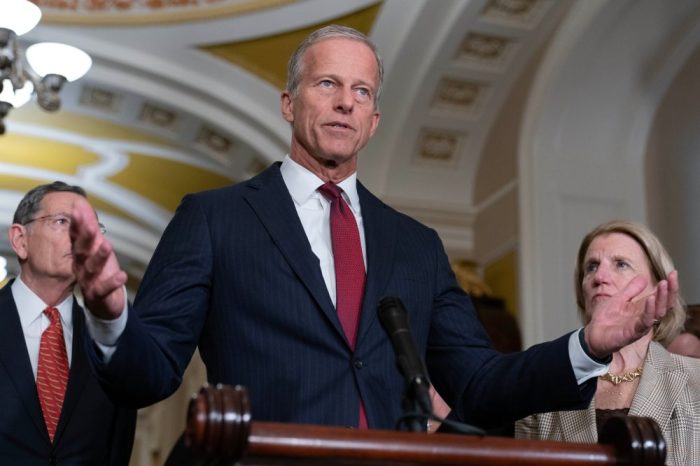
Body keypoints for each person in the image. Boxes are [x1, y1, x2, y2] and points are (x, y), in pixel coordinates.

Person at [69, 25, 676, 431]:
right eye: (327, 84)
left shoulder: (416, 245)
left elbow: (480, 383)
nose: (345, 102)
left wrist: (587, 346)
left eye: (361, 91)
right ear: (289, 103)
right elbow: (149, 374)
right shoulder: (214, 218)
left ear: (375, 120)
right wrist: (110, 315)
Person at [515, 220, 700, 465]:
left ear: (658, 287)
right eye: (591, 267)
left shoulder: (695, 380)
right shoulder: (548, 386)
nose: (599, 277)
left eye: (621, 264)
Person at [1, 182, 135, 464]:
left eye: (90, 229)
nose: (80, 237)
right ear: (20, 240)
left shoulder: (108, 342)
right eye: (61, 222)